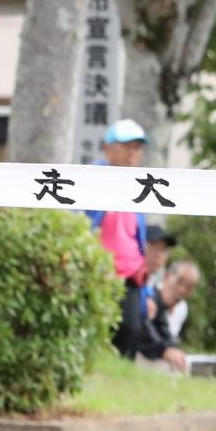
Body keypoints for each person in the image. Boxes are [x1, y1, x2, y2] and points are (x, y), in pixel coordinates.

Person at [87, 119, 152, 360]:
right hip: (100, 273)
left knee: (132, 330)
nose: (133, 153)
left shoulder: (141, 186)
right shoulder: (91, 179)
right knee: (102, 330)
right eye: (127, 146)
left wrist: (147, 295)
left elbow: (138, 240)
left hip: (131, 276)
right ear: (108, 148)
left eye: (137, 147)